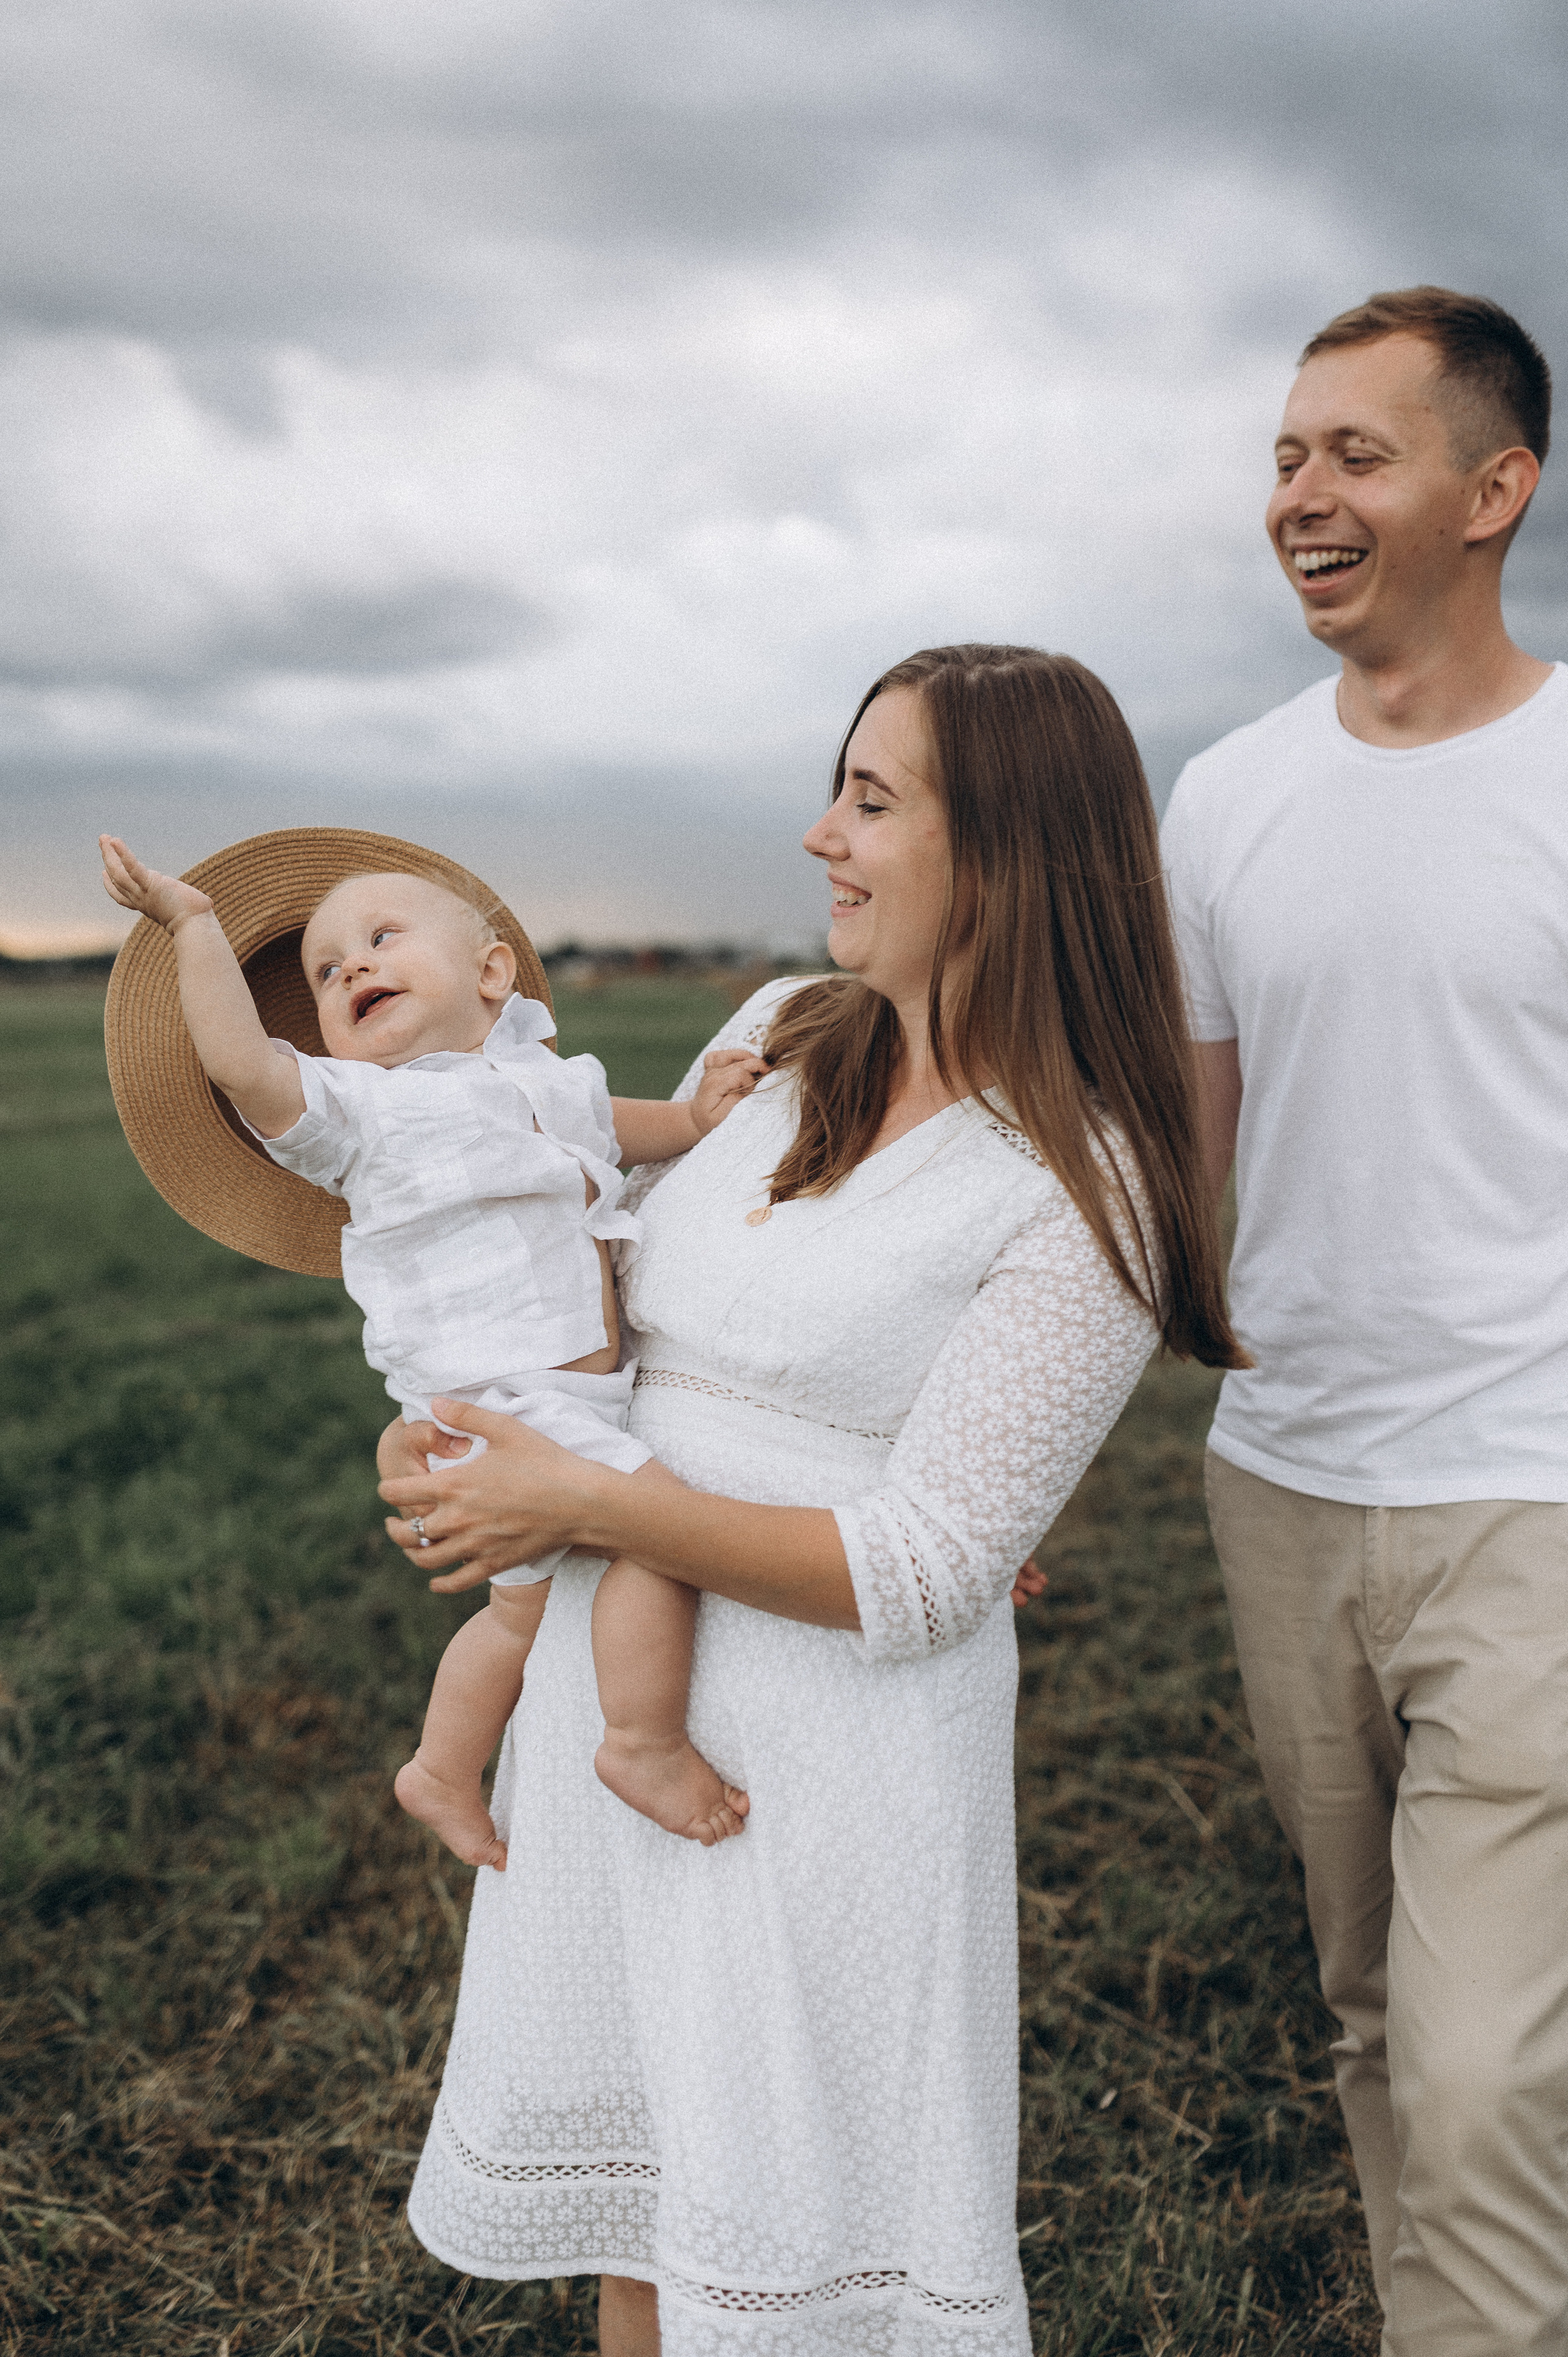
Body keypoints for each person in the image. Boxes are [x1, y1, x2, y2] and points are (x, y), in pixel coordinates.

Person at [377, 644, 1245, 2356]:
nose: (818, 837)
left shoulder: (1090, 1179)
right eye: (833, 790)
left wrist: (596, 1506)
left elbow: (929, 1567)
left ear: (1005, 848)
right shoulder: (774, 1034)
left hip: (819, 1778)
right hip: (610, 1712)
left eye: (870, 799)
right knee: (642, 2220)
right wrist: (467, 1437)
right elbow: (585, 1289)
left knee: (782, 2261)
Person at [1160, 288, 1568, 2351]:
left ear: (1495, 491)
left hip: (1537, 1496)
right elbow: (1186, 1175)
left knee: (1493, 2057)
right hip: (1288, 1487)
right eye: (1289, 454)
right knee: (1376, 2014)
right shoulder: (1222, 799)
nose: (1299, 496)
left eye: (1356, 454)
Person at [98, 838, 767, 1859]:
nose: (352, 968)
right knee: (658, 1541)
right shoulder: (359, 1114)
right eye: (328, 973)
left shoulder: (544, 1076)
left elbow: (614, 1127)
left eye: (380, 939)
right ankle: (642, 1741)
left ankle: (441, 1768)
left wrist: (691, 1118)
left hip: (568, 1400)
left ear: (491, 974)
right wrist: (194, 927)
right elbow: (242, 1063)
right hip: (491, 1405)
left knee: (520, 1617)